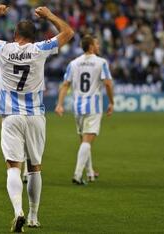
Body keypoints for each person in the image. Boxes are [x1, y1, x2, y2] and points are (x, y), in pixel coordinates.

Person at [0, 4, 73, 232]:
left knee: (13, 167)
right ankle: (34, 217)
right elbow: (68, 33)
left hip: (11, 116)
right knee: (35, 167)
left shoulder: (3, 49)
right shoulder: (40, 49)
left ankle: (18, 212)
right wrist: (49, 15)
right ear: (34, 36)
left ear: (15, 35)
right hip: (35, 114)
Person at [55, 34, 114, 185]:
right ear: (91, 46)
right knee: (87, 142)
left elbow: (65, 85)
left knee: (84, 143)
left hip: (78, 107)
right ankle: (77, 174)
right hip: (93, 107)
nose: (99, 46)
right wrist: (111, 102)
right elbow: (107, 83)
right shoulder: (101, 62)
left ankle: (90, 173)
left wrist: (60, 104)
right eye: (97, 44)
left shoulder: (74, 63)